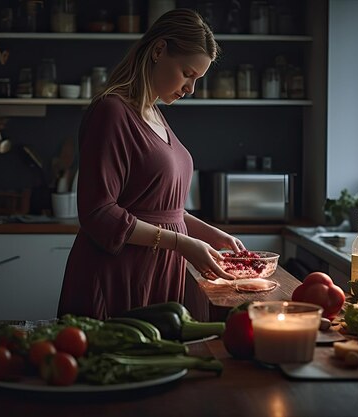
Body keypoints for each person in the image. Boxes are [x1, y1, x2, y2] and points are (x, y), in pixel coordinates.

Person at [57, 8, 245, 320]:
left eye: (197, 79)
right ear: (159, 50)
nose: (191, 89)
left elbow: (159, 207)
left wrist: (210, 234)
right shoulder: (112, 112)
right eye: (187, 73)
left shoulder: (155, 115)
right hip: (118, 273)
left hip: (157, 269)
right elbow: (98, 212)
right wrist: (182, 243)